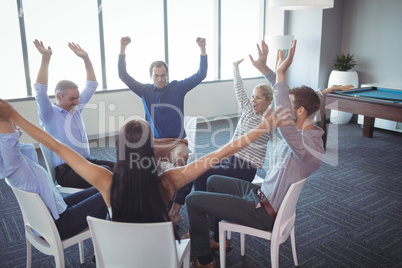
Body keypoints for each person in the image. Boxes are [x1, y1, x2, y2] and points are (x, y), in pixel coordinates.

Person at [0, 93, 292, 241]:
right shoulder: (169, 181)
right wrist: (262, 128)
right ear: (150, 149)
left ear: (120, 149)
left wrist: (14, 115)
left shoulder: (106, 180)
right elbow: (222, 151)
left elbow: (57, 147)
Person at [185, 39, 326, 268]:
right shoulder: (307, 133)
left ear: (299, 111)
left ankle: (204, 260)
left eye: (287, 106)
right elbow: (286, 98)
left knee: (193, 201)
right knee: (211, 180)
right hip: (261, 193)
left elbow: (283, 109)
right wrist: (266, 71)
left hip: (262, 212)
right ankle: (216, 240)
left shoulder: (305, 145)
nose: (280, 109)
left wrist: (280, 74)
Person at [118, 36, 208, 223]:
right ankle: (150, 205)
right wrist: (122, 49)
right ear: (151, 76)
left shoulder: (179, 87)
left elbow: (201, 74)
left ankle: (174, 211)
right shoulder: (144, 90)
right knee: (138, 167)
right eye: (156, 75)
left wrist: (202, 50)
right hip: (154, 143)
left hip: (177, 143)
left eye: (163, 75)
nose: (160, 78)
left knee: (185, 170)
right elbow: (123, 76)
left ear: (167, 75)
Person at [0, 117, 107, 240]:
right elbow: (9, 140)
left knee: (104, 186)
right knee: (113, 192)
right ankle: (107, 246)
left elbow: (12, 143)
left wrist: (15, 134)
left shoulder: (9, 160)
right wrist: (10, 123)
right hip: (59, 224)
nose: (15, 122)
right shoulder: (14, 162)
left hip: (56, 210)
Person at [33, 40, 114, 189]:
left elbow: (92, 84)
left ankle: (131, 203)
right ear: (58, 97)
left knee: (122, 169)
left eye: (77, 98)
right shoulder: (49, 115)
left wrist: (86, 58)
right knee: (107, 175)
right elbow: (39, 90)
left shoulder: (75, 108)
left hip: (86, 162)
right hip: (68, 171)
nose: (77, 102)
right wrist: (46, 58)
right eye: (72, 99)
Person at [192, 59, 274, 193]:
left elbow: (287, 99)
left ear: (269, 100)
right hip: (230, 158)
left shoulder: (270, 119)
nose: (253, 100)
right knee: (199, 167)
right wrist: (235, 67)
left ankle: (200, 207)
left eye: (258, 97)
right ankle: (183, 203)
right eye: (253, 96)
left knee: (200, 175)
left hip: (244, 168)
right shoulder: (248, 109)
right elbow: (239, 88)